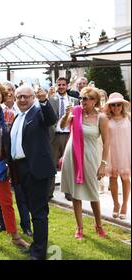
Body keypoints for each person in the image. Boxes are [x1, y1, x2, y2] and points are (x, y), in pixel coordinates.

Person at [10, 84, 57, 260]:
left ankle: (39, 253)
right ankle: (35, 247)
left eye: (26, 96)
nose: (22, 100)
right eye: (19, 97)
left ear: (33, 98)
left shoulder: (38, 113)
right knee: (31, 209)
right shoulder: (18, 117)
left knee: (38, 212)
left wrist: (44, 101)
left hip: (36, 169)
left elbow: (50, 118)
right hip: (21, 169)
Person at [0, 81, 29, 249]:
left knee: (6, 201)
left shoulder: (8, 114)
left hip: (1, 165)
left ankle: (14, 235)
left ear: (2, 96)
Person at [60, 87, 109, 239]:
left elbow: (107, 143)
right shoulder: (75, 112)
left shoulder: (101, 117)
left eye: (87, 99)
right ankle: (79, 227)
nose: (83, 101)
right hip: (72, 155)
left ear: (95, 101)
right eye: (82, 98)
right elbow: (62, 126)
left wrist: (103, 164)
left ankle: (98, 224)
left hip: (90, 157)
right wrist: (67, 114)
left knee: (93, 192)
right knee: (75, 193)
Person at [48, 77, 79, 201]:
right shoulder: (51, 99)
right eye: (59, 84)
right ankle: (49, 192)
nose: (61, 87)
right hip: (54, 136)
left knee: (69, 164)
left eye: (63, 85)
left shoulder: (74, 101)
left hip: (69, 135)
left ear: (67, 86)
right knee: (51, 164)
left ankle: (69, 192)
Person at [103, 93, 130, 220]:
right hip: (111, 152)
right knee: (113, 178)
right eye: (113, 105)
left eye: (119, 104)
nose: (116, 107)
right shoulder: (106, 119)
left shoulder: (128, 117)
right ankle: (115, 204)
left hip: (125, 151)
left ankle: (124, 205)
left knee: (125, 178)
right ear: (110, 106)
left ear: (122, 105)